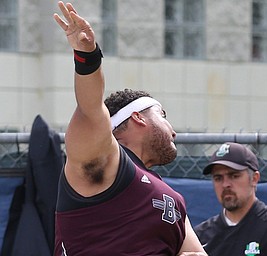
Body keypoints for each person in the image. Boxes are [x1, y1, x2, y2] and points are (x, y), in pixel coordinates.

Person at [53, 2, 206, 256]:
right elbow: (90, 109)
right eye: (163, 115)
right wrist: (88, 56)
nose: (173, 130)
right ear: (138, 118)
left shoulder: (172, 199)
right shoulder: (102, 163)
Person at [194, 142, 267, 256]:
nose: (225, 184)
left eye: (234, 176)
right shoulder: (201, 236)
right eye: (218, 178)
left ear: (254, 179)